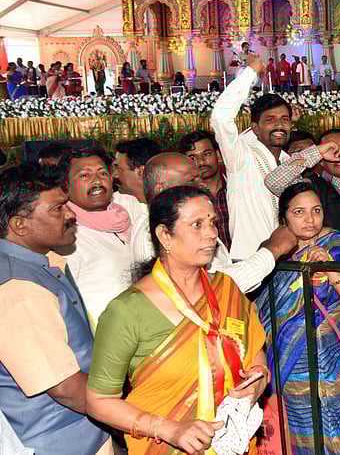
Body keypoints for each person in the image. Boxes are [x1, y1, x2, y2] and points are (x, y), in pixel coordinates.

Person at [86, 186, 268, 454]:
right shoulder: (127, 310)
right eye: (197, 224)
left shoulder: (227, 290)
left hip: (233, 443)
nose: (212, 233)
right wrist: (168, 429)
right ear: (165, 236)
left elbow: (255, 353)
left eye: (212, 223)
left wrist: (258, 380)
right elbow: (98, 401)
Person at [256, 181, 340, 454]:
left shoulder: (338, 245)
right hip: (287, 363)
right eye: (299, 212)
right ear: (283, 217)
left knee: (333, 423)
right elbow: (262, 306)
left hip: (328, 364)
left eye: (316, 210)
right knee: (297, 427)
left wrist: (330, 269)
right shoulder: (273, 251)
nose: (310, 219)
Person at [0, 163, 113, 455]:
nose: (71, 214)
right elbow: (67, 390)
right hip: (60, 444)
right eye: (58, 208)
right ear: (19, 225)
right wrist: (145, 413)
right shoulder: (19, 290)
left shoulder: (41, 262)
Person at [132, 153, 295, 293]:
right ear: (162, 189)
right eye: (192, 180)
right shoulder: (150, 233)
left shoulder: (168, 222)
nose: (201, 185)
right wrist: (272, 250)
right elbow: (214, 287)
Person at [210, 53, 292, 260]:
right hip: (248, 262)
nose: (279, 125)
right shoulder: (242, 157)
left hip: (287, 264)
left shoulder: (288, 162)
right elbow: (220, 117)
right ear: (255, 127)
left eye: (284, 119)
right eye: (270, 120)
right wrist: (250, 73)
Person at [57, 148, 134, 323]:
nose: (97, 181)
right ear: (65, 185)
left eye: (102, 173)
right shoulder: (66, 238)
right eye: (85, 176)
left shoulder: (124, 217)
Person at [265, 128, 340, 245]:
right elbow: (274, 181)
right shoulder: (310, 186)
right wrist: (317, 152)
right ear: (320, 160)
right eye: (332, 150)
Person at [178, 130, 231, 249]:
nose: (201, 162)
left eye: (206, 154)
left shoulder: (237, 189)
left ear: (218, 156)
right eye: (193, 158)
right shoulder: (185, 200)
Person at [113, 138, 163, 207]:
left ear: (141, 172)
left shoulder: (172, 207)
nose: (114, 175)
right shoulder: (115, 203)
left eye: (119, 169)